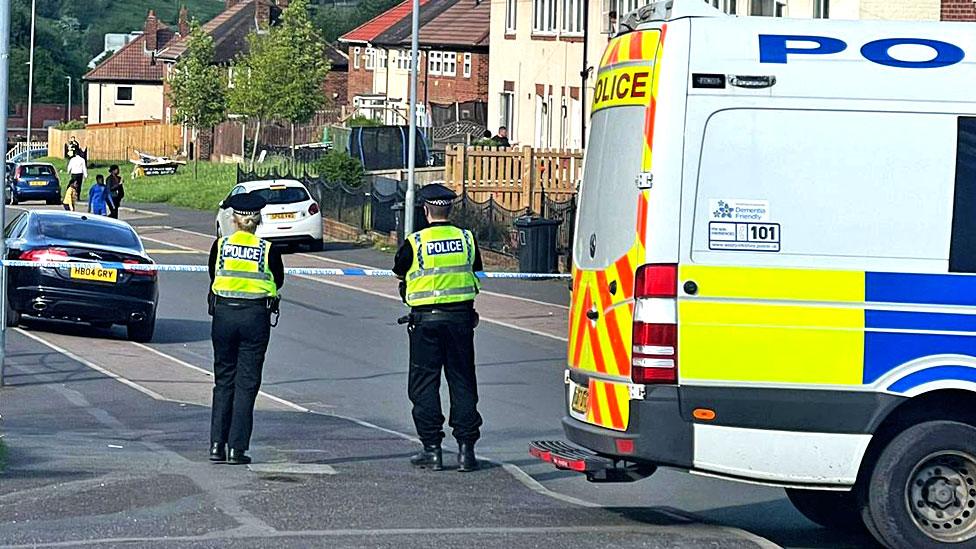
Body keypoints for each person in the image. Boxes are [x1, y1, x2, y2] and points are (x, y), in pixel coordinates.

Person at [393, 183, 484, 472]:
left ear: (425, 210)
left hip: (425, 323)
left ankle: (432, 449)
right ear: (450, 209)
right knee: (462, 381)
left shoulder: (415, 242)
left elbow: (399, 271)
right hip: (461, 321)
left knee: (424, 384)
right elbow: (476, 271)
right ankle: (466, 451)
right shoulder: (467, 239)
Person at [207, 192, 284, 465]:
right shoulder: (267, 250)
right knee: (247, 383)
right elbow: (279, 280)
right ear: (258, 219)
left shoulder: (221, 245)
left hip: (224, 316)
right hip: (255, 318)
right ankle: (236, 449)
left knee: (224, 380)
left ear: (235, 219)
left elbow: (213, 274)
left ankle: (217, 444)